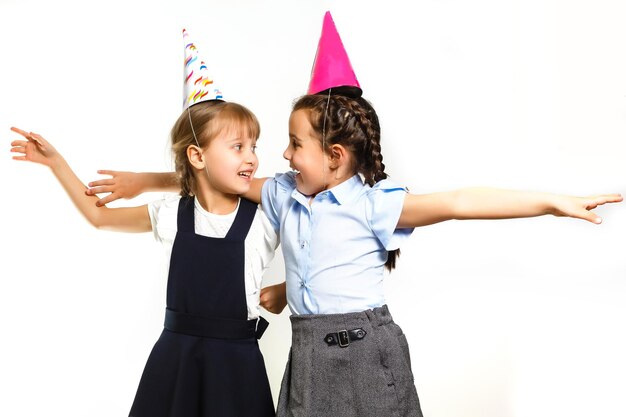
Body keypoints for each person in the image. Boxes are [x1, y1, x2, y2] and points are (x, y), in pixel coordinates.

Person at [81, 12, 623, 417]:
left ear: (334, 157)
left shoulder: (372, 205)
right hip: (309, 353)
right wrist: (147, 179)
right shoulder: (284, 195)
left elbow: (459, 202)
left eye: (293, 145)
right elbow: (217, 176)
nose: (283, 157)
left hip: (366, 354)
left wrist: (552, 203)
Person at [10, 30, 279, 417]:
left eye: (254, 145)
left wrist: (287, 288)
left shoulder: (267, 214)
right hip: (176, 363)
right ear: (197, 156)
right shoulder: (173, 213)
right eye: (238, 147)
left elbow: (321, 223)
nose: (251, 157)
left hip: (237, 366)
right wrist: (57, 164)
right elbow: (99, 217)